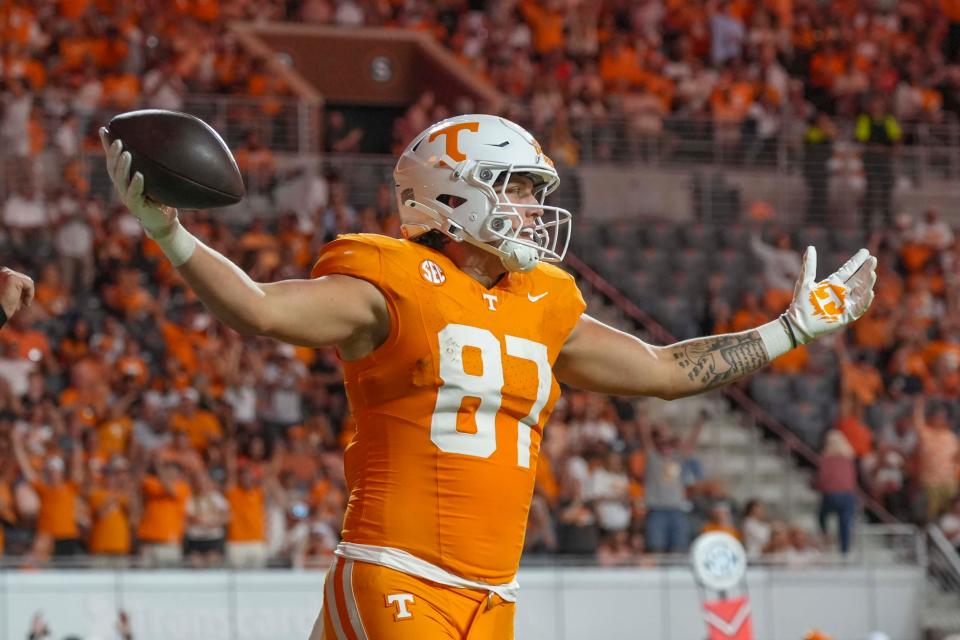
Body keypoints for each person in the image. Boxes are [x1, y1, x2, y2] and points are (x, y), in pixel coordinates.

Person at [101, 113, 877, 640]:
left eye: (537, 192)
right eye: (518, 188)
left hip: (491, 596)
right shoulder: (390, 279)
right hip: (397, 572)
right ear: (452, 191)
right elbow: (262, 309)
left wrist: (792, 327)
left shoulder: (542, 301)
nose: (535, 208)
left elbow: (662, 370)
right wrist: (172, 234)